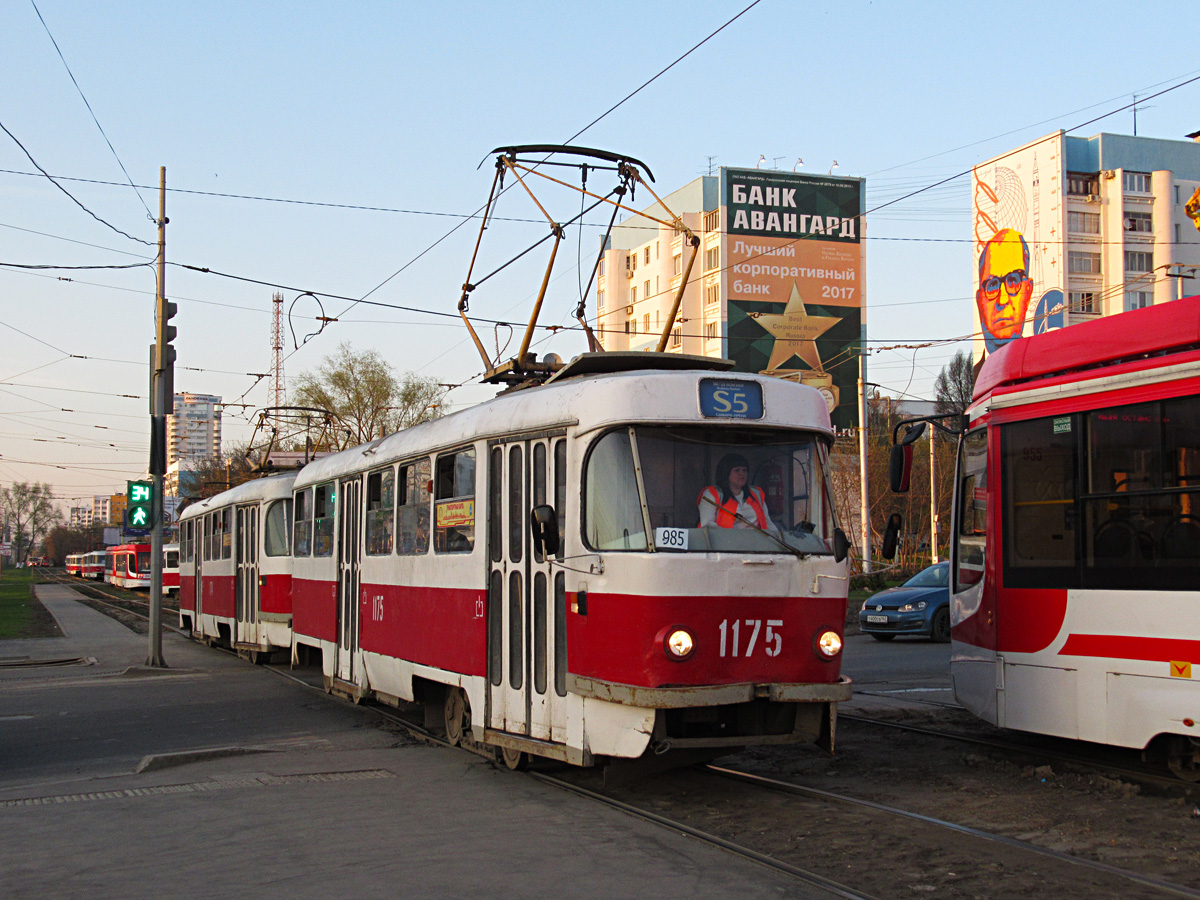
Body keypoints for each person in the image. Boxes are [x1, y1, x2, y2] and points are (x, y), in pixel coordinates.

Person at [975, 228, 1034, 354]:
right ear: (979, 302)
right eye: (992, 285)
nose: (1002, 300)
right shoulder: (980, 373)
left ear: (1028, 292)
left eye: (1013, 280)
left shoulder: (1042, 367)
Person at [697, 453, 778, 533]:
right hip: (726, 543)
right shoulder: (712, 494)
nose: (742, 473)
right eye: (737, 470)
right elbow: (707, 526)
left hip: (757, 543)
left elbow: (768, 523)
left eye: (744, 470)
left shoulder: (757, 493)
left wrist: (778, 538)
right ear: (726, 473)